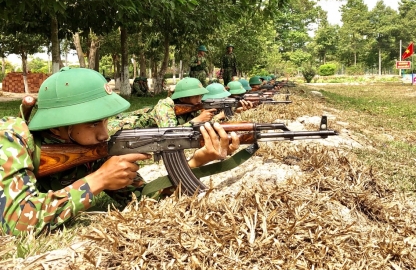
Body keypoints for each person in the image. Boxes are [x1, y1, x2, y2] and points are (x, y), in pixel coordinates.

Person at [0, 68, 240, 236]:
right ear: (58, 124)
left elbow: (144, 201)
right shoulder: (12, 138)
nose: (105, 134)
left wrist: (198, 160)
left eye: (106, 121)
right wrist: (98, 180)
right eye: (93, 123)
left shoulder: (94, 148)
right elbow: (17, 221)